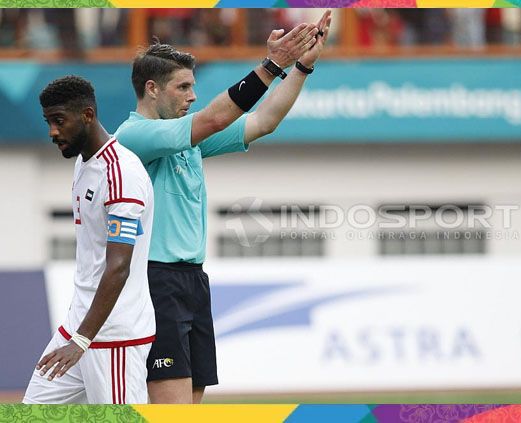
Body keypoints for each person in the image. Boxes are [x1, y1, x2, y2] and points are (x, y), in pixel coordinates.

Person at [113, 11, 332, 404]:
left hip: (193, 281)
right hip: (155, 282)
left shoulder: (187, 137)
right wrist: (272, 64)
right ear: (151, 89)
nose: (192, 96)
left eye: (193, 87)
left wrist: (301, 66)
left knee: (193, 408)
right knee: (173, 410)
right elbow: (214, 119)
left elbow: (264, 121)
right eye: (183, 87)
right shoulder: (133, 135)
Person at [23, 76, 155, 404]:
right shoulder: (85, 163)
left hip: (113, 336)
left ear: (87, 115)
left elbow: (119, 266)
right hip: (78, 326)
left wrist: (82, 340)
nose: (53, 131)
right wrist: (78, 335)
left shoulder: (120, 173)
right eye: (48, 122)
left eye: (59, 121)